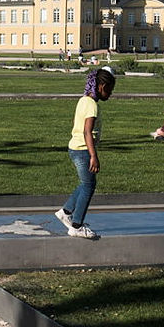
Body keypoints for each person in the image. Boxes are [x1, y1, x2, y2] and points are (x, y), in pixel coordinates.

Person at [54, 67, 116, 240]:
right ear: (101, 86)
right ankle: (76, 225)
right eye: (109, 90)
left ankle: (65, 212)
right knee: (89, 186)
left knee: (85, 183)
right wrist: (93, 156)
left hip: (75, 147)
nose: (110, 94)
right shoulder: (92, 105)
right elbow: (87, 132)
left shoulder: (83, 100)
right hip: (83, 150)